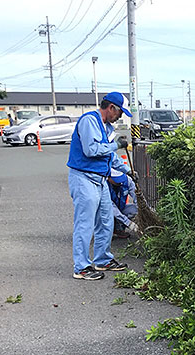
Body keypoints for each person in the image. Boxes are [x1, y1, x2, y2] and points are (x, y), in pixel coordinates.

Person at [67, 91, 132, 280]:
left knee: (106, 221)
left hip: (100, 180)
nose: (120, 117)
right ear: (111, 107)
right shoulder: (89, 121)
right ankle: (81, 267)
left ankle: (103, 260)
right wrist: (116, 146)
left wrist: (126, 170)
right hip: (84, 178)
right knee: (85, 224)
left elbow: (109, 156)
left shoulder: (107, 127)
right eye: (120, 113)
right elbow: (92, 150)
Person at [108, 169, 139, 239]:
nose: (120, 183)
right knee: (106, 215)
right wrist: (128, 223)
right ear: (109, 178)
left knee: (135, 210)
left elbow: (137, 198)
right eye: (117, 180)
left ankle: (119, 229)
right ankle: (106, 232)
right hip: (107, 211)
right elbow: (113, 210)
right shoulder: (105, 187)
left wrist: (145, 210)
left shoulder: (127, 181)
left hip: (120, 207)